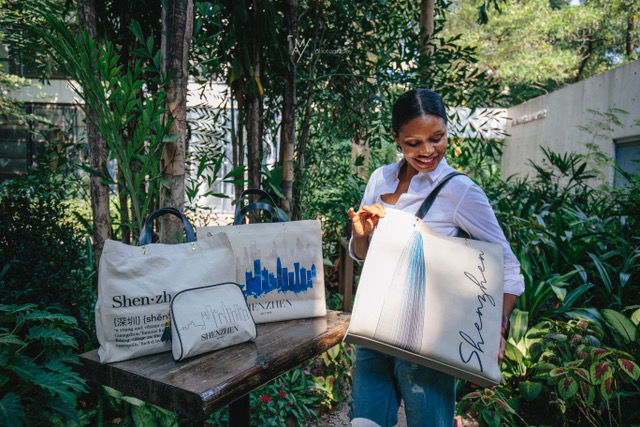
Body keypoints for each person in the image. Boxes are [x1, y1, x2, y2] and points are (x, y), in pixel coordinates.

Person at [347, 88, 525, 427]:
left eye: (437, 138)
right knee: (363, 423)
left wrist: (495, 327)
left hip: (429, 338)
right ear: (396, 138)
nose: (428, 151)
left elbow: (509, 265)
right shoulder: (379, 178)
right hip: (374, 325)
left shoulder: (459, 190)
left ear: (446, 130)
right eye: (414, 143)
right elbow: (362, 257)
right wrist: (360, 234)